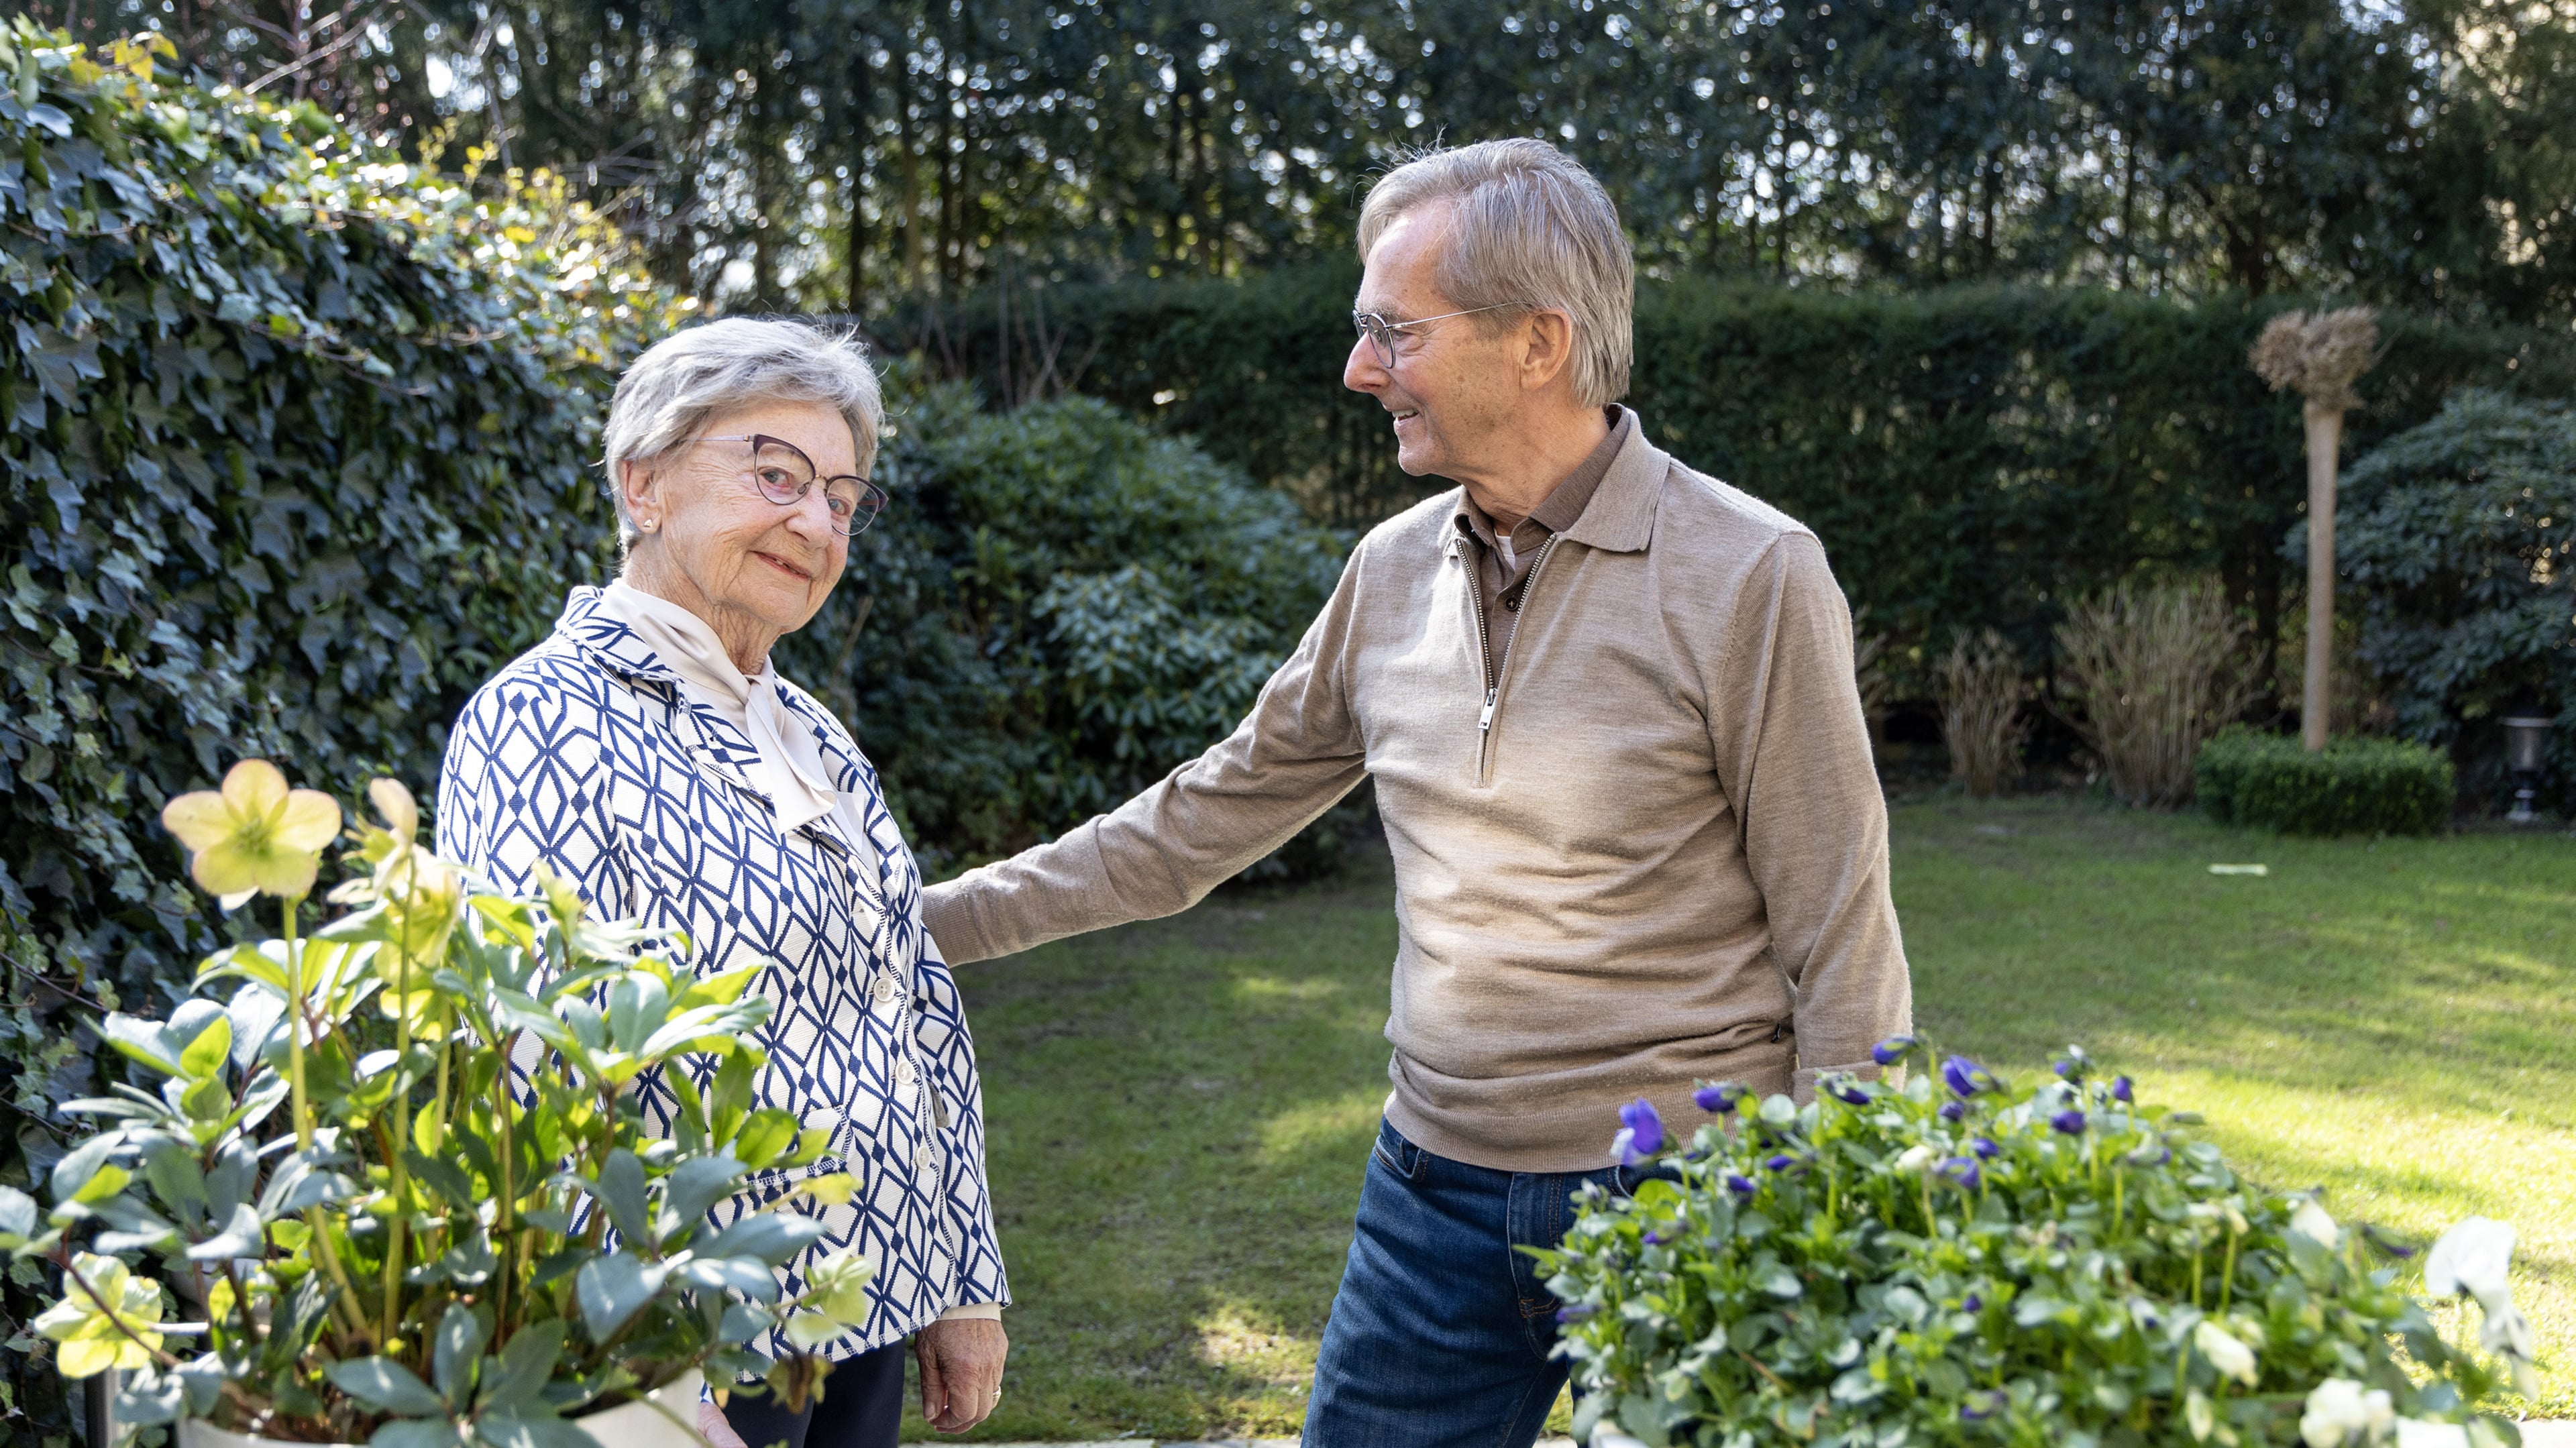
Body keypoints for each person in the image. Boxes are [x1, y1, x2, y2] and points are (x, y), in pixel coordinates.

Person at [919, 139, 1911, 1447]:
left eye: (1395, 332)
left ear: (1537, 342)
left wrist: (1831, 1214)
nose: (1359, 369)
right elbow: (1196, 823)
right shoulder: (1389, 576)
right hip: (1430, 1196)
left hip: (1682, 1194)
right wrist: (915, 923)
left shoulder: (1750, 574)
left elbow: (1840, 930)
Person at [437, 318, 1008, 1447]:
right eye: (775, 473)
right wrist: (640, 1382)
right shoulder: (542, 719)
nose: (816, 521)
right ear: (643, 482)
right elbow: (523, 1064)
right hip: (696, 1344)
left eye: (843, 496)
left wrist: (959, 1278)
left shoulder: (811, 733)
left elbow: (910, 1001)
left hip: (866, 1307)